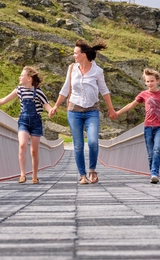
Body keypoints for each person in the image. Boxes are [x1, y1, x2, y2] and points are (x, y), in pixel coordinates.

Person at [49, 39, 117, 185]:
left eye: (75, 53)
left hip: (92, 110)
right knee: (78, 144)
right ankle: (82, 175)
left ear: (84, 55)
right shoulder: (72, 68)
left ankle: (92, 170)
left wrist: (111, 109)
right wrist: (55, 106)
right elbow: (66, 88)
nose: (73, 55)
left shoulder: (97, 71)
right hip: (74, 110)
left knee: (93, 142)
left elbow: (104, 90)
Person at [0, 66, 52, 184]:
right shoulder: (19, 90)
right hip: (23, 120)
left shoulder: (38, 92)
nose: (19, 77)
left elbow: (47, 105)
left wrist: (51, 111)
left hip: (36, 122)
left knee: (34, 150)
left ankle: (34, 176)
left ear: (29, 78)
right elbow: (3, 100)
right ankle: (22, 174)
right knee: (22, 145)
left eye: (22, 76)